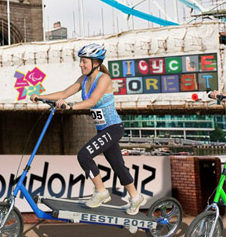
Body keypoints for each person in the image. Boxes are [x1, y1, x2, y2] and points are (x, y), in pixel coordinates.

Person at [31, 43, 144, 215]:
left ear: (96, 63)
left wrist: (70, 107)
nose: (81, 65)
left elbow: (91, 102)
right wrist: (40, 96)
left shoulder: (104, 79)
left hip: (113, 128)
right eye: (81, 61)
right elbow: (63, 93)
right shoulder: (83, 80)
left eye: (84, 61)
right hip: (103, 130)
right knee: (118, 166)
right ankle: (136, 197)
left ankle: (101, 192)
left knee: (84, 155)